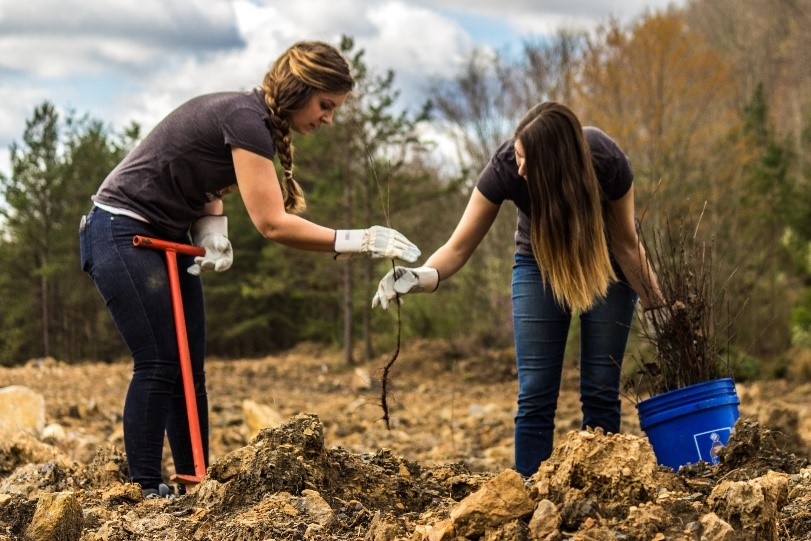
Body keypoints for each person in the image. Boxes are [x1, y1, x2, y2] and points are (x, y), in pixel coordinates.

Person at [79, 40, 420, 497]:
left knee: (188, 367)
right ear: (300, 90)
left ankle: (192, 480)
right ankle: (142, 487)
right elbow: (272, 224)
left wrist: (212, 228)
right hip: (120, 229)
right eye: (325, 105)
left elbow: (205, 174)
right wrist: (356, 240)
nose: (328, 118)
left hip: (169, 235)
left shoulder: (250, 121)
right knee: (160, 361)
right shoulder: (246, 119)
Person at [372, 101, 665, 477]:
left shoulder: (606, 161)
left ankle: (601, 485)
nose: (519, 166)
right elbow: (459, 246)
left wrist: (660, 310)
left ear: (558, 163)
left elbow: (627, 245)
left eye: (529, 160)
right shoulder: (506, 167)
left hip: (608, 262)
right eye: (518, 154)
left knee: (600, 387)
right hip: (537, 262)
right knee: (537, 392)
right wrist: (419, 277)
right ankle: (527, 491)